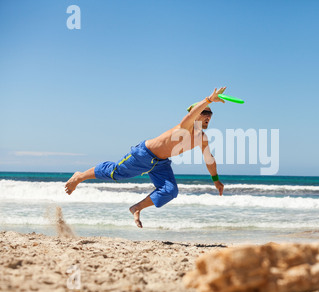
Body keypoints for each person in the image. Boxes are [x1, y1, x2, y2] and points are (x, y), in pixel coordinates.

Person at [64, 87, 226, 228]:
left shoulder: (202, 138)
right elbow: (193, 114)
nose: (208, 117)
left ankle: (137, 208)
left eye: (210, 115)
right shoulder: (184, 126)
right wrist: (209, 100)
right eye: (204, 113)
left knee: (170, 191)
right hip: (144, 154)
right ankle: (80, 176)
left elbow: (209, 160)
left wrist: (216, 180)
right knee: (115, 173)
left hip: (161, 163)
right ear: (196, 114)